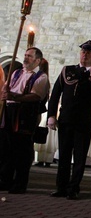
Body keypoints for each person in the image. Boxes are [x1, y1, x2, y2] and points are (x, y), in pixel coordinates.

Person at [47, 40, 91, 200]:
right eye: (83, 52)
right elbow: (55, 94)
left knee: (79, 157)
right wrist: (52, 115)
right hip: (66, 119)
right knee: (63, 155)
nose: (84, 54)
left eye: (88, 52)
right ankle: (61, 186)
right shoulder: (68, 70)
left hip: (84, 122)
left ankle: (73, 188)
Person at [0, 47, 49, 194]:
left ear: (37, 60)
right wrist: (4, 92)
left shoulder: (41, 77)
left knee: (21, 150)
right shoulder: (16, 73)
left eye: (29, 56)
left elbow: (35, 96)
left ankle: (20, 183)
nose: (25, 58)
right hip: (9, 112)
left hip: (25, 114)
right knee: (6, 148)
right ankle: (5, 180)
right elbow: (8, 90)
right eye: (25, 55)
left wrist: (13, 97)